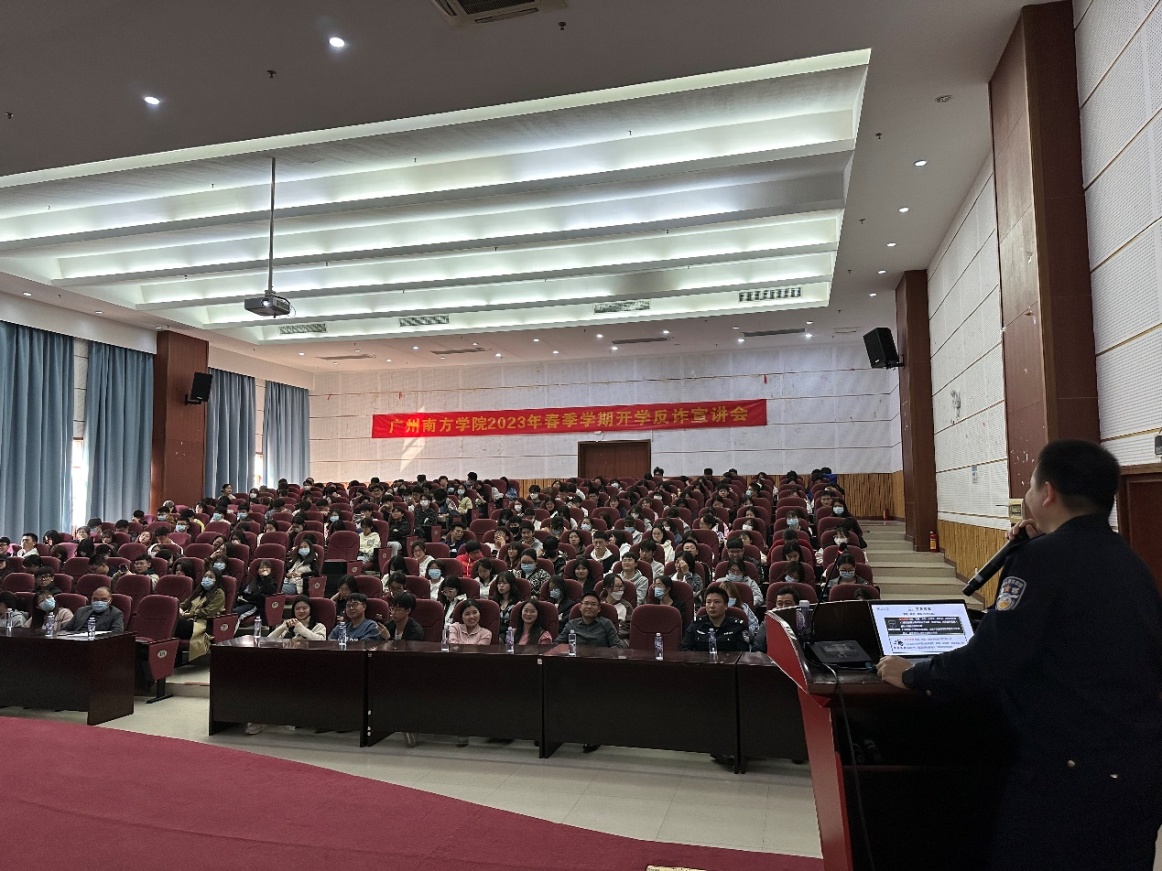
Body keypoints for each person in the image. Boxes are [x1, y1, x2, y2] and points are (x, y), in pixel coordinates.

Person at [877, 439, 1162, 871]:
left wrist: (914, 674)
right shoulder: (1131, 563)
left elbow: (990, 658)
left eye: (1030, 486)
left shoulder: (1042, 560)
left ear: (1047, 493)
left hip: (1066, 778)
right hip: (1136, 772)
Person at [176, 568, 227, 661]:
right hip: (189, 621)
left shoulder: (219, 593)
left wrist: (190, 614)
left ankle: (175, 658)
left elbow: (208, 611)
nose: (207, 579)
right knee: (171, 622)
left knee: (177, 623)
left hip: (203, 625)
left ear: (216, 580)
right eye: (205, 576)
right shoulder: (199, 591)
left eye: (210, 577)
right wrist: (178, 608)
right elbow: (184, 604)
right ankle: (174, 657)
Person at [680, 587, 749, 652]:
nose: (712, 606)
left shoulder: (737, 626)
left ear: (725, 606)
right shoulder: (696, 624)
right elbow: (684, 650)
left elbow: (743, 654)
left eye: (717, 602)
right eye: (708, 602)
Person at [555, 592, 623, 648]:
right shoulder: (572, 624)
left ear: (599, 608)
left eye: (593, 604)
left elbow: (616, 646)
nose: (589, 607)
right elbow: (557, 643)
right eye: (586, 603)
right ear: (580, 607)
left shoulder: (606, 624)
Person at [600, 574, 634, 640]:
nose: (620, 589)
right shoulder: (599, 605)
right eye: (617, 586)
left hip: (619, 638)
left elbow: (628, 628)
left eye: (621, 586)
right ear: (608, 588)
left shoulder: (627, 606)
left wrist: (613, 635)